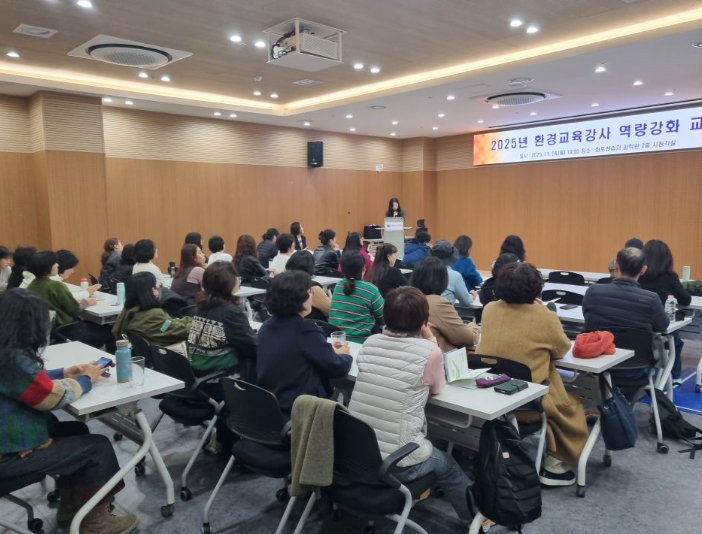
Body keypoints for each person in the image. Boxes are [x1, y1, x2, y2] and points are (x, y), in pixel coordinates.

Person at [0, 289, 138, 534]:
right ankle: (97, 522)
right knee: (98, 448)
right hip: (8, 458)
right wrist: (85, 379)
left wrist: (64, 372)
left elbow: (25, 382)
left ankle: (71, 507)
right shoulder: (12, 360)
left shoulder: (6, 355)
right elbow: (49, 397)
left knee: (76, 429)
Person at [348, 286, 474, 522]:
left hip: (355, 454)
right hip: (396, 463)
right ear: (423, 320)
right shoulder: (429, 351)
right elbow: (437, 388)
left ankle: (417, 493)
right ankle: (474, 517)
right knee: (447, 463)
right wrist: (432, 341)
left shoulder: (370, 342)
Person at [477, 262, 588, 487]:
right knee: (571, 405)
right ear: (536, 289)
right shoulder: (544, 316)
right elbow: (561, 349)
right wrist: (544, 311)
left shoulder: (490, 309)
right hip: (527, 404)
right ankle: (554, 463)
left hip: (488, 396)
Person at [257, 270, 352, 418]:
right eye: (309, 292)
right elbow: (337, 367)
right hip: (301, 411)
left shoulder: (266, 326)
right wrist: (345, 355)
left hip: (271, 407)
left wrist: (327, 351)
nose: (311, 296)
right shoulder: (306, 331)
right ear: (298, 298)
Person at [26, 251, 114, 351]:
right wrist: (87, 302)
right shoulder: (55, 285)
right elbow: (74, 309)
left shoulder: (32, 285)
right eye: (54, 263)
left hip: (50, 331)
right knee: (111, 331)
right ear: (47, 267)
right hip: (68, 330)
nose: (57, 265)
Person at [187, 262, 257, 377]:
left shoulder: (201, 306)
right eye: (236, 276)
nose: (238, 279)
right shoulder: (229, 311)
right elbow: (252, 346)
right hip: (222, 373)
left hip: (198, 367)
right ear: (228, 282)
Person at [638, 239, 691, 383]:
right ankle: (675, 376)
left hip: (638, 324)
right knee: (676, 340)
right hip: (660, 325)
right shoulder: (670, 277)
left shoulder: (638, 275)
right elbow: (686, 300)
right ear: (667, 258)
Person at [410, 257, 479, 352]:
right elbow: (468, 338)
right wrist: (473, 327)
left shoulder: (408, 299)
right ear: (442, 280)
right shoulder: (438, 304)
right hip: (436, 358)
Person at [112, 272, 192, 349]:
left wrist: (190, 320)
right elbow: (184, 332)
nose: (160, 289)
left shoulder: (128, 310)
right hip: (166, 353)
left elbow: (170, 324)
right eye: (159, 286)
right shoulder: (154, 315)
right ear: (153, 290)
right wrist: (197, 323)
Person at [329, 251, 384, 342]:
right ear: (364, 268)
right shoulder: (370, 289)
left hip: (337, 340)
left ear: (342, 269)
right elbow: (383, 318)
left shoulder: (338, 285)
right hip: (361, 342)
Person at [286, 250, 330, 320]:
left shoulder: (282, 285)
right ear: (311, 267)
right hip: (312, 324)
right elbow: (331, 310)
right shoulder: (312, 288)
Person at [431, 240, 477, 306]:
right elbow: (467, 301)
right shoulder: (454, 276)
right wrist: (472, 295)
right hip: (444, 311)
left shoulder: (422, 272)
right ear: (452, 256)